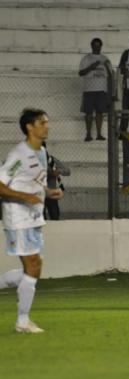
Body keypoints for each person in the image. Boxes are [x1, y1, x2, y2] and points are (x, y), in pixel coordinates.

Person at [0, 108, 63, 333]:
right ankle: (22, 321)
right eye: (42, 122)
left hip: (34, 216)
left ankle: (23, 320)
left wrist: (47, 192)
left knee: (34, 268)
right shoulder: (19, 154)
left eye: (47, 122)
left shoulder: (41, 152)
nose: (47, 126)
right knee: (33, 265)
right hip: (17, 216)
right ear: (30, 127)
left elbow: (32, 183)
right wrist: (24, 196)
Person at [79, 37, 112, 142]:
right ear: (91, 46)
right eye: (95, 45)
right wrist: (91, 67)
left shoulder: (105, 58)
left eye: (98, 45)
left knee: (100, 113)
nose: (97, 47)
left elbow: (110, 75)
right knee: (88, 113)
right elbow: (81, 73)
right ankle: (88, 134)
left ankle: (99, 134)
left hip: (101, 90)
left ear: (101, 46)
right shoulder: (86, 58)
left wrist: (107, 66)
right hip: (89, 89)